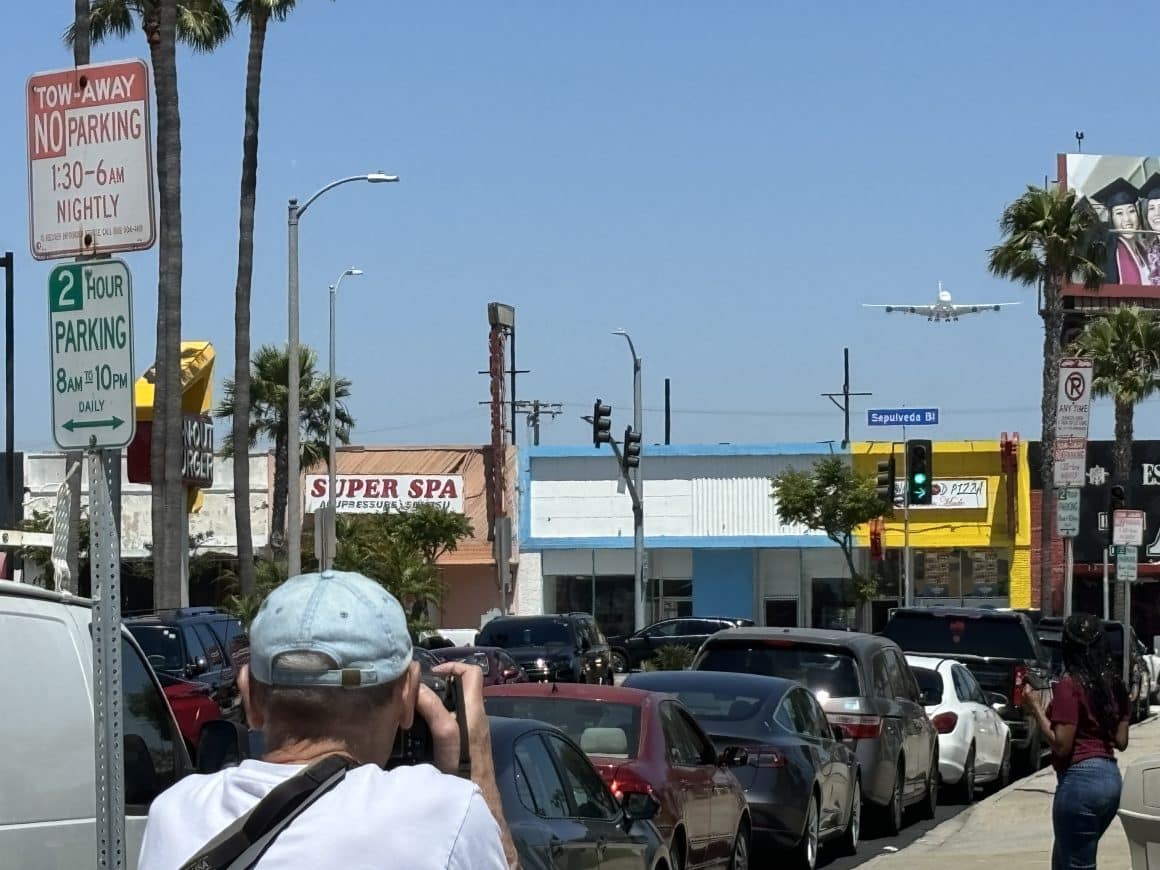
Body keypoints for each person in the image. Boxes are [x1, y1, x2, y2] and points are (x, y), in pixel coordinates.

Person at [138, 570, 518, 870]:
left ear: (250, 697)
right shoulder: (446, 814)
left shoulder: (176, 814)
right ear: (407, 696)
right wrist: (475, 757)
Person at [1023, 613, 1130, 870]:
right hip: (1111, 781)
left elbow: (1062, 744)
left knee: (1075, 863)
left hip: (1080, 782)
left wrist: (1036, 709)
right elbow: (1121, 740)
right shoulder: (1115, 686)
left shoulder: (1070, 685)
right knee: (1064, 860)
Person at [1092, 177, 1148, 284]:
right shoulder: (1110, 253)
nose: (1127, 219)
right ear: (1111, 219)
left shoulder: (1144, 252)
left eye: (1131, 211)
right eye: (1119, 213)